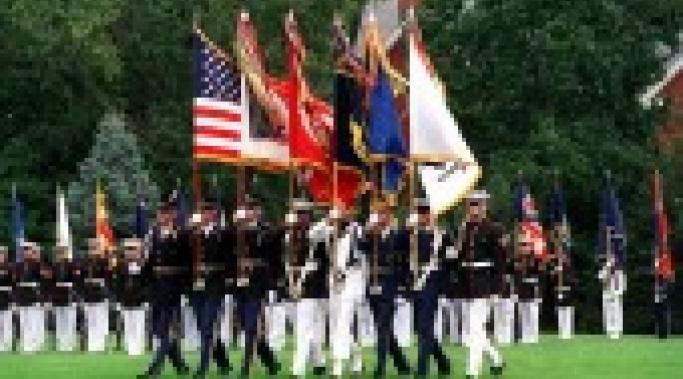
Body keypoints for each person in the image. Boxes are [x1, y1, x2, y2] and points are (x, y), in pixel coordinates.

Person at [138, 195, 191, 378]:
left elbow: (186, 261)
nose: (162, 216)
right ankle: (180, 365)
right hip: (156, 286)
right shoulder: (153, 234)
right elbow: (149, 261)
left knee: (165, 327)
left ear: (173, 215)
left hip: (172, 286)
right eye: (161, 213)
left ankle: (155, 368)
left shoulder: (181, 233)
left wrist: (184, 286)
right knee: (156, 328)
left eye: (166, 213)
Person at [359, 200, 411, 378]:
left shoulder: (397, 235)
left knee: (382, 326)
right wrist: (366, 232)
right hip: (373, 283)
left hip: (390, 283)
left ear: (390, 216)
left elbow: (404, 255)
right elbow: (361, 247)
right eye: (379, 214)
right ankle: (401, 364)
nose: (381, 217)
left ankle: (380, 367)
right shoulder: (372, 235)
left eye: (384, 214)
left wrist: (404, 287)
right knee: (383, 327)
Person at [459, 190, 505, 378]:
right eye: (471, 204)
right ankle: (496, 359)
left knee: (476, 329)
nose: (474, 209)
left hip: (484, 283)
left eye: (478, 204)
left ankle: (472, 372)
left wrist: (496, 290)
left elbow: (501, 262)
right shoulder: (464, 229)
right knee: (473, 330)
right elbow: (460, 257)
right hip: (467, 284)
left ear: (485, 207)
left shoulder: (494, 229)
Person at [233, 200, 280, 377]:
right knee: (246, 325)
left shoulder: (266, 230)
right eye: (248, 209)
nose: (251, 212)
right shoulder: (238, 229)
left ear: (260, 211)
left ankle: (246, 366)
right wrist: (237, 225)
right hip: (240, 283)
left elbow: (272, 250)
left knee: (252, 324)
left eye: (254, 209)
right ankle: (270, 361)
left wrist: (273, 281)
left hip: (257, 282)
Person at [285, 199, 328, 378]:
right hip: (295, 286)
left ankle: (298, 369)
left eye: (304, 215)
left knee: (305, 329)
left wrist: (329, 218)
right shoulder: (289, 236)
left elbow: (321, 233)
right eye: (298, 215)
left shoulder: (317, 232)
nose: (301, 218)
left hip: (314, 287)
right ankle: (318, 362)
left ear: (310, 216)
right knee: (310, 329)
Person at [409, 199, 451, 378]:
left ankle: (422, 369)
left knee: (425, 325)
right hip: (415, 282)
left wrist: (444, 288)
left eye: (427, 212)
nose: (424, 215)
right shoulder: (412, 233)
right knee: (419, 327)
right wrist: (407, 229)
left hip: (432, 282)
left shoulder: (442, 235)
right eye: (421, 212)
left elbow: (450, 262)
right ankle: (442, 360)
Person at [190, 201, 231, 378]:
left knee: (207, 326)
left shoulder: (222, 234)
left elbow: (229, 253)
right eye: (203, 212)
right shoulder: (193, 234)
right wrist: (192, 229)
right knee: (203, 327)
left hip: (215, 284)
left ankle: (203, 367)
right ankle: (222, 362)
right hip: (197, 286)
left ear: (215, 214)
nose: (206, 215)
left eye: (209, 211)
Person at [15, 242, 48, 353]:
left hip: (34, 295)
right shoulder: (19, 265)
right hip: (22, 296)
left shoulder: (38, 264)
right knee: (24, 322)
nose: (26, 253)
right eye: (25, 250)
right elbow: (16, 282)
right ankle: (25, 344)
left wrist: (38, 256)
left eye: (29, 250)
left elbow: (45, 278)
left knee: (33, 322)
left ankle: (33, 345)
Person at [117, 238, 146, 356]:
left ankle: (138, 347)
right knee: (128, 324)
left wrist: (147, 299)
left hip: (140, 298)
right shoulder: (121, 265)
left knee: (138, 324)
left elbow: (147, 283)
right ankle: (130, 347)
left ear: (139, 251)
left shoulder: (144, 265)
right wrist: (119, 300)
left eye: (133, 249)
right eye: (128, 250)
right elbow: (118, 284)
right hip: (126, 299)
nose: (130, 252)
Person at [82, 238, 112, 352]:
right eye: (91, 248)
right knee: (91, 321)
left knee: (100, 320)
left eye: (95, 247)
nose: (93, 250)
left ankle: (100, 345)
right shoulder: (85, 261)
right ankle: (92, 345)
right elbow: (81, 278)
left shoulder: (104, 261)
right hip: (89, 293)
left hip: (100, 293)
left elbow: (109, 278)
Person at [51, 245, 80, 352]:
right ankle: (61, 344)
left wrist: (76, 295)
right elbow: (51, 282)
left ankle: (69, 344)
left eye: (62, 252)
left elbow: (77, 281)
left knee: (69, 321)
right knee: (60, 321)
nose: (60, 255)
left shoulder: (72, 265)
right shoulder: (54, 266)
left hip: (69, 294)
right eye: (58, 253)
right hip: (58, 295)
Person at [599, 254, 626, 339]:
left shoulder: (620, 272)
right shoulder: (604, 270)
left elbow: (622, 285)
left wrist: (618, 293)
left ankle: (616, 331)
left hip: (616, 294)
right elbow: (602, 281)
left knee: (616, 313)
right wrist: (608, 274)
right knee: (607, 313)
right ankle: (608, 331)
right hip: (607, 294)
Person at [0, 247, 13, 352]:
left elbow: (13, 283)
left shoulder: (9, 267)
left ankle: (7, 344)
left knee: (6, 322)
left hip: (6, 296)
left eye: (2, 254)